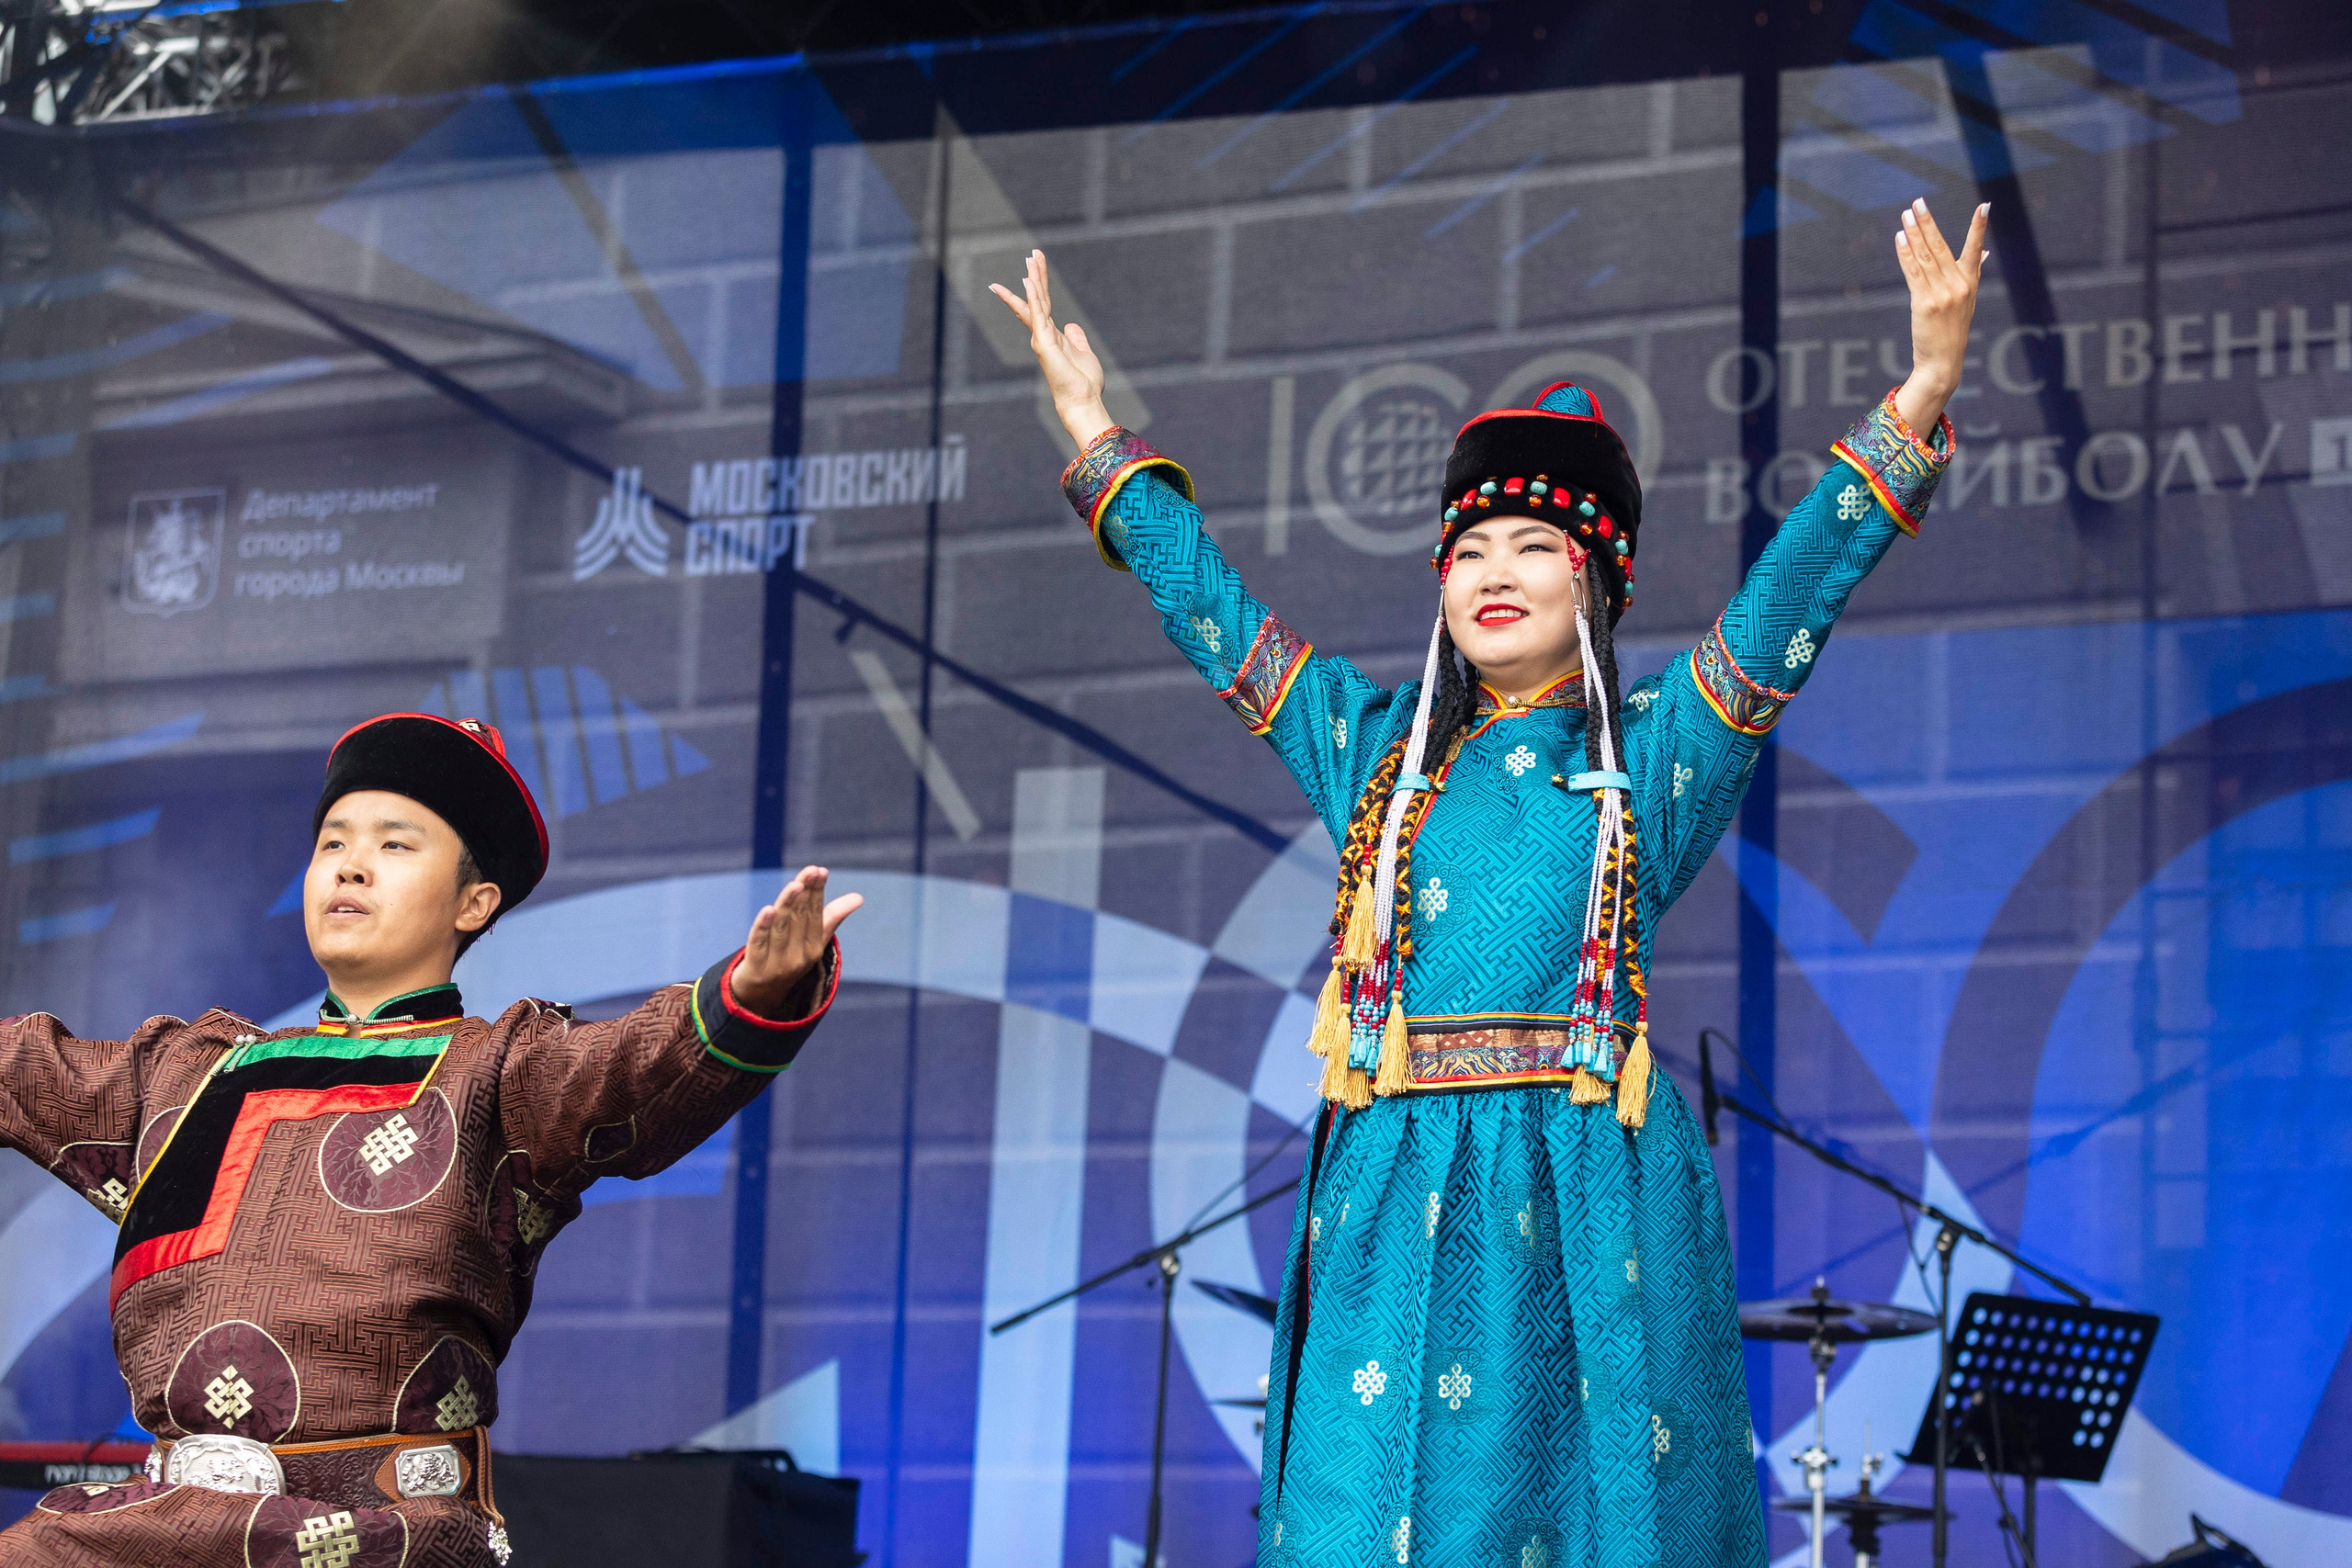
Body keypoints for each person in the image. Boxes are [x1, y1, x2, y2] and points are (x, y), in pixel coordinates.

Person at [992, 196, 1985, 1564]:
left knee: (1577, 1520)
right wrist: (1098, 435)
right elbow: (1216, 617)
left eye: (1535, 547)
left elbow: (1786, 598)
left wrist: (1923, 386)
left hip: (1578, 1190)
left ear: (1602, 583)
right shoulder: (1372, 751)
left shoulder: (1657, 754)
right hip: (1391, 1188)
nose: (1494, 573)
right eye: (1469, 549)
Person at [0, 711, 861, 1567]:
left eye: (396, 844)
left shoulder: (499, 1072)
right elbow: (18, 1070)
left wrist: (751, 990)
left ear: (473, 901)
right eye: (333, 841)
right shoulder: (184, 1074)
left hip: (389, 1533)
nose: (351, 862)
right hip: (158, 1528)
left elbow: (632, 1065)